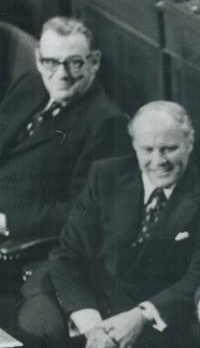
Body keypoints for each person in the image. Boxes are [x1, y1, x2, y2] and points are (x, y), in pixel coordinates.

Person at [17, 102, 200, 348]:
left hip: (155, 312)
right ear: (134, 146)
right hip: (88, 298)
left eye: (169, 149)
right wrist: (91, 322)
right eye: (147, 149)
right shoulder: (106, 175)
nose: (158, 161)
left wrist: (142, 316)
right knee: (33, 345)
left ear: (189, 142)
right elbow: (67, 255)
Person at [0, 17, 126, 238]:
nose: (62, 75)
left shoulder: (106, 124)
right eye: (51, 62)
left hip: (15, 236)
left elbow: (83, 211)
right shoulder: (31, 83)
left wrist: (6, 223)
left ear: (94, 62)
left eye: (75, 63)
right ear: (39, 60)